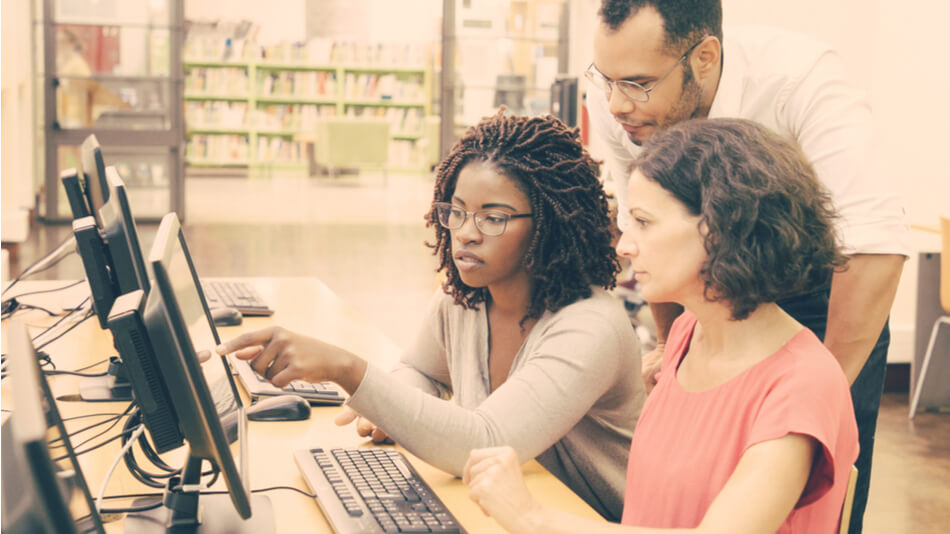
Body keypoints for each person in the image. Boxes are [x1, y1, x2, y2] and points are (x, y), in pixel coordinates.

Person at [216, 110, 645, 520]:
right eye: (455, 212)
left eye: (492, 217)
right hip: (504, 512)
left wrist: (346, 369)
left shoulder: (590, 327)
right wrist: (394, 412)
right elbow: (418, 369)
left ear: (549, 224)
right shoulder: (465, 298)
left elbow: (483, 444)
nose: (466, 233)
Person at [584, 2, 907, 530]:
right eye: (607, 79)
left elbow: (873, 243)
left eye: (638, 83)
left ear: (705, 57)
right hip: (702, 302)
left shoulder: (799, 77)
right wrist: (672, 348)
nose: (617, 103)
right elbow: (649, 230)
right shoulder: (621, 98)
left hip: (826, 292)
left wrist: (816, 395)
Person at [464, 117, 860, 534]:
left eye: (644, 222)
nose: (625, 244)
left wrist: (532, 518)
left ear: (721, 228)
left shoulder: (802, 386)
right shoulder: (688, 335)